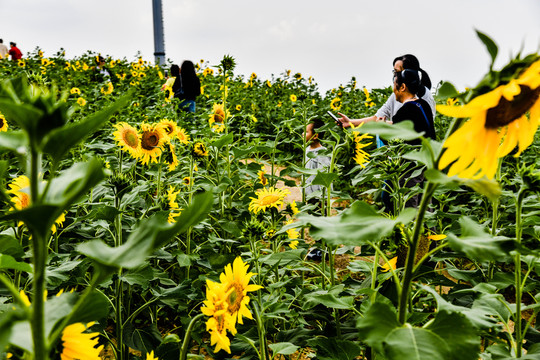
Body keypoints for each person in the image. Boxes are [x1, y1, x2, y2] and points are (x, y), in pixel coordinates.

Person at [338, 54, 435, 134]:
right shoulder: (399, 97)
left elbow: (414, 131)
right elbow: (376, 118)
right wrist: (351, 122)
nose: (394, 76)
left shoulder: (425, 99)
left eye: (397, 72)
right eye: (394, 72)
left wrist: (384, 126)